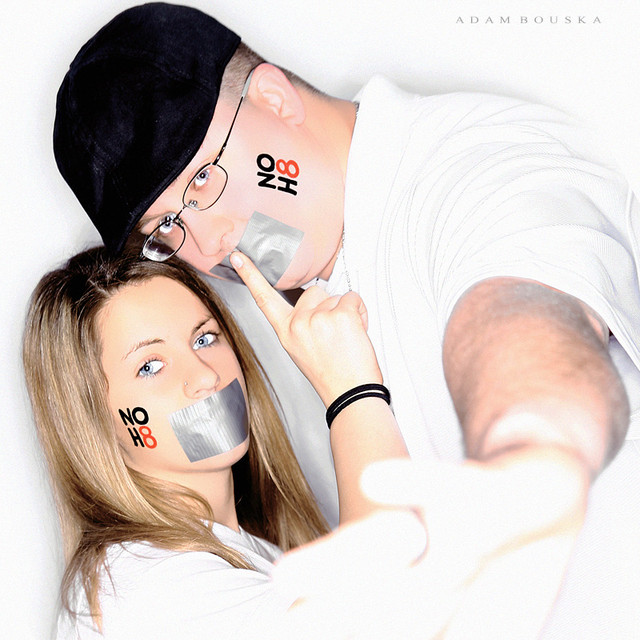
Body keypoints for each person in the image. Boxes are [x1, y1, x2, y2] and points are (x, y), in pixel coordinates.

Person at [52, 3, 640, 637]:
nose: (211, 241)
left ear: (274, 99)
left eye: (204, 182)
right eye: (169, 227)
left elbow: (517, 303)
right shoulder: (315, 302)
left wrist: (532, 445)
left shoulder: (468, 171)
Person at [22, 246, 409, 639]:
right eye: (150, 366)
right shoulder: (139, 586)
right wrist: (353, 392)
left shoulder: (239, 552)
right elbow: (383, 605)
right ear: (91, 419)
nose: (205, 376)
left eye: (205, 338)